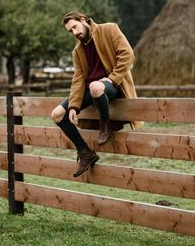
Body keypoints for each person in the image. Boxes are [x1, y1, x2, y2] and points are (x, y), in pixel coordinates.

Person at [51, 11, 138, 178]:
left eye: (75, 27)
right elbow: (77, 80)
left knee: (96, 87)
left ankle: (106, 124)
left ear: (83, 20)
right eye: (71, 31)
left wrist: (112, 78)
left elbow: (127, 54)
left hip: (113, 86)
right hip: (91, 89)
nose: (75, 33)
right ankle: (85, 152)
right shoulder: (77, 51)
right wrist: (74, 106)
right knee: (56, 115)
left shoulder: (109, 29)